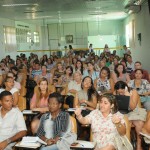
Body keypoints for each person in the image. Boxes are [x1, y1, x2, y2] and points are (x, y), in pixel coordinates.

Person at [114, 81, 147, 150]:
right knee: (125, 122)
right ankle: (125, 145)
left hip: (135, 111)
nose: (120, 93)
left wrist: (128, 96)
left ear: (125, 88)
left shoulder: (133, 92)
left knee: (139, 123)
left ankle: (139, 143)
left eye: (121, 92)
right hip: (123, 111)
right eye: (118, 92)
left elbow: (133, 107)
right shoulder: (116, 93)